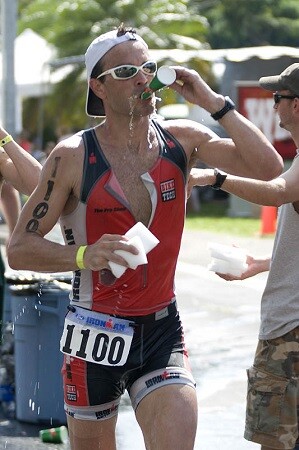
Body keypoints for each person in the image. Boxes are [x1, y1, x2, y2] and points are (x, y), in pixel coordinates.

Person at [7, 24, 283, 450]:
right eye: (126, 72)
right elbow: (20, 249)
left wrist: (213, 102)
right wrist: (83, 255)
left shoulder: (183, 140)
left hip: (161, 330)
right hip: (93, 331)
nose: (143, 79)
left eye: (148, 68)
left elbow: (269, 168)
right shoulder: (73, 156)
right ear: (97, 86)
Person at [188, 62, 299, 450]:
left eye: (279, 97)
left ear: (296, 106)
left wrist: (214, 178)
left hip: (290, 333)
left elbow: (275, 191)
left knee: (277, 443)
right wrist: (264, 264)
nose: (275, 104)